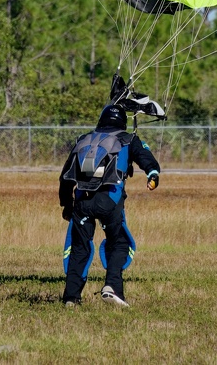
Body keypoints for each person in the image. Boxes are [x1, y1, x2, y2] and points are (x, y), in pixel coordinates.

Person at [59, 98, 160, 307]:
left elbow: (65, 177)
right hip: (109, 201)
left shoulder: (85, 139)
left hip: (81, 203)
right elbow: (145, 157)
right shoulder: (127, 139)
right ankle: (112, 287)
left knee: (79, 248)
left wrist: (67, 206)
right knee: (120, 243)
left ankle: (71, 297)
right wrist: (153, 174)